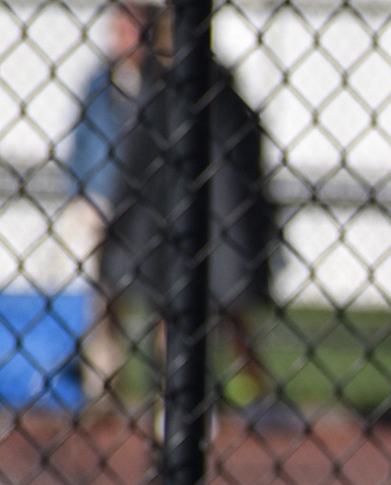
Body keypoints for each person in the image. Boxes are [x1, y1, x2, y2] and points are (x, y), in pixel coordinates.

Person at [94, 7, 289, 429]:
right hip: (167, 220)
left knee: (215, 313)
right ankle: (179, 400)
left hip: (206, 218)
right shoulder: (162, 85)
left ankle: (220, 397)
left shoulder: (202, 84)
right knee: (175, 310)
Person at [60, 0, 154, 409]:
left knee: (164, 296)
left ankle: (168, 390)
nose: (129, 37)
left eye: (136, 28)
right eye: (122, 28)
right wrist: (82, 195)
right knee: (104, 298)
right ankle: (104, 390)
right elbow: (81, 143)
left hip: (151, 205)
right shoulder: (100, 82)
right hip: (106, 199)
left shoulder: (163, 81)